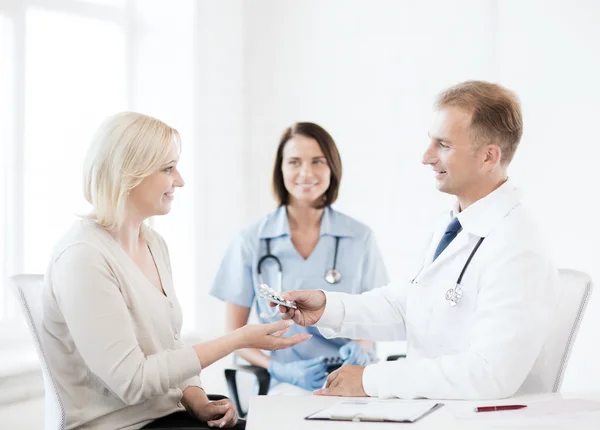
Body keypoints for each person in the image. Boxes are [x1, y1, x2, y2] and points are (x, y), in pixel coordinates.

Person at [275, 81, 560, 400]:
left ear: (488, 157)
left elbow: (488, 375)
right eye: (430, 142)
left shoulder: (517, 246)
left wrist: (370, 380)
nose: (426, 157)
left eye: (443, 145)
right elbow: (408, 306)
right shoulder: (453, 225)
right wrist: (328, 308)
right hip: (436, 410)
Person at [40, 112, 310, 430]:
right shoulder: (83, 257)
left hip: (167, 414)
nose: (179, 180)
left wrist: (195, 398)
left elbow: (170, 347)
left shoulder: (153, 243)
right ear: (129, 173)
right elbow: (133, 382)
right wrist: (235, 340)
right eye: (168, 169)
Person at [210, 122, 389, 394]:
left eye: (317, 161)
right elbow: (233, 334)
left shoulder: (360, 238)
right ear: (280, 169)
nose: (306, 173)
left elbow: (380, 314)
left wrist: (362, 348)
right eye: (294, 162)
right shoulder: (251, 241)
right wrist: (277, 368)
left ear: (332, 167)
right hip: (288, 382)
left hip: (353, 376)